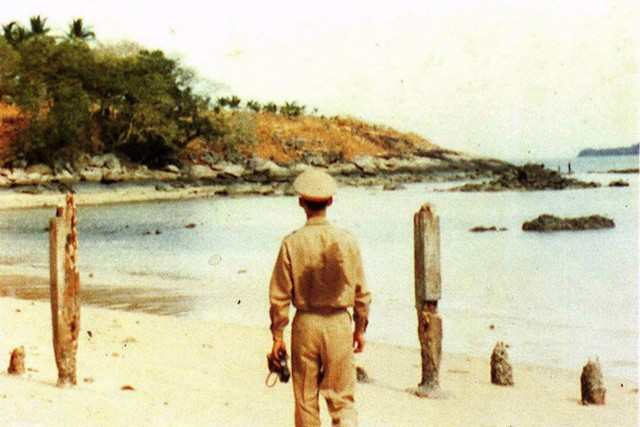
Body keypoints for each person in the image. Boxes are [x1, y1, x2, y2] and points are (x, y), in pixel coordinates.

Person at [269, 168, 372, 427]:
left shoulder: (291, 243)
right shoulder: (348, 241)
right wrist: (360, 329)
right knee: (342, 400)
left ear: (301, 202)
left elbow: (279, 297)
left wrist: (278, 336)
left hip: (305, 325)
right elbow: (362, 295)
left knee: (305, 399)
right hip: (338, 324)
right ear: (331, 202)